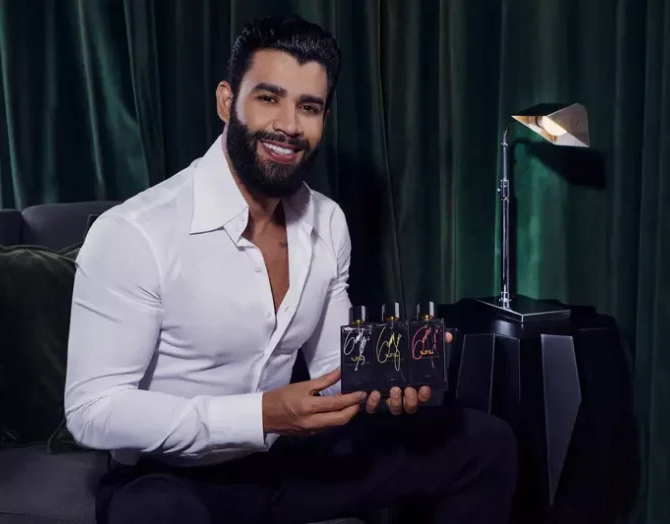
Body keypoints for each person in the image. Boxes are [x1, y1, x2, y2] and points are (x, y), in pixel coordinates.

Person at [64, 14, 517, 524]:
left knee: (484, 443)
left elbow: (331, 372)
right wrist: (258, 415)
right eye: (268, 98)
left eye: (309, 107)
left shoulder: (327, 221)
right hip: (172, 473)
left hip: (288, 459)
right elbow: (92, 410)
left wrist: (391, 380)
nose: (289, 125)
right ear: (226, 101)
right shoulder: (134, 232)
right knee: (155, 513)